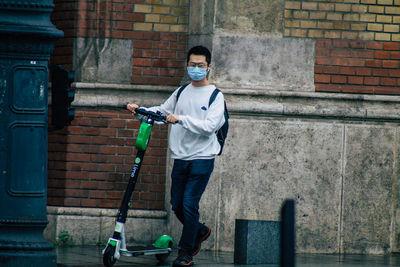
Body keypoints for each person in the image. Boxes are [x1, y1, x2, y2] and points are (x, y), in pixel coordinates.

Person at [127, 45, 225, 267]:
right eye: (193, 65)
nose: (196, 69)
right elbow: (162, 112)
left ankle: (185, 253)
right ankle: (199, 231)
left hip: (202, 158)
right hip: (180, 157)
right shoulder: (181, 92)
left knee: (189, 204)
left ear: (209, 67)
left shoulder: (216, 97)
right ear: (187, 65)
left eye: (201, 65)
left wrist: (180, 120)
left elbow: (209, 127)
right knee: (177, 205)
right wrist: (140, 111)